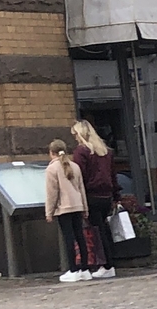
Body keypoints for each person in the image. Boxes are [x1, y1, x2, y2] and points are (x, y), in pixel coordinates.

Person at [45, 138, 106, 282]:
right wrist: (85, 208)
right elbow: (81, 189)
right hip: (77, 205)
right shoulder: (75, 166)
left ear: (51, 153)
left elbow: (51, 193)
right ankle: (85, 269)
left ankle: (73, 269)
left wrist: (49, 212)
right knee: (80, 237)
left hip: (63, 208)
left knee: (68, 238)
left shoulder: (51, 169)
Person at [71, 119, 119, 262]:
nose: (74, 138)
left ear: (80, 134)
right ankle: (109, 262)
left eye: (75, 134)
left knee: (96, 232)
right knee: (103, 229)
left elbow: (79, 176)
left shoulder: (81, 151)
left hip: (91, 195)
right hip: (106, 196)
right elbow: (113, 175)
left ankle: (106, 264)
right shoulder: (105, 151)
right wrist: (116, 196)